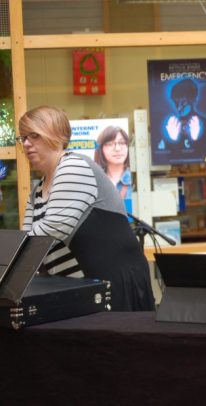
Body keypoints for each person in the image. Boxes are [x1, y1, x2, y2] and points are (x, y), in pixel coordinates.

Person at [19, 106, 155, 311]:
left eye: (34, 136)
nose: (26, 143)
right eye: (23, 138)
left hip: (113, 284)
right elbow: (26, 244)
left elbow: (49, 231)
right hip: (81, 289)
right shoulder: (37, 190)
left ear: (57, 135)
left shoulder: (73, 166)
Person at [165, 78, 206, 150]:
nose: (179, 108)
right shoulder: (171, 124)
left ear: (194, 100)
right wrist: (173, 139)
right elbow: (166, 153)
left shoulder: (204, 123)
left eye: (184, 102)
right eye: (176, 102)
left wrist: (195, 139)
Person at [94, 126, 132, 213]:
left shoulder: (137, 180)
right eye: (110, 144)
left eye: (122, 143)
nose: (117, 148)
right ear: (101, 149)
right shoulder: (94, 182)